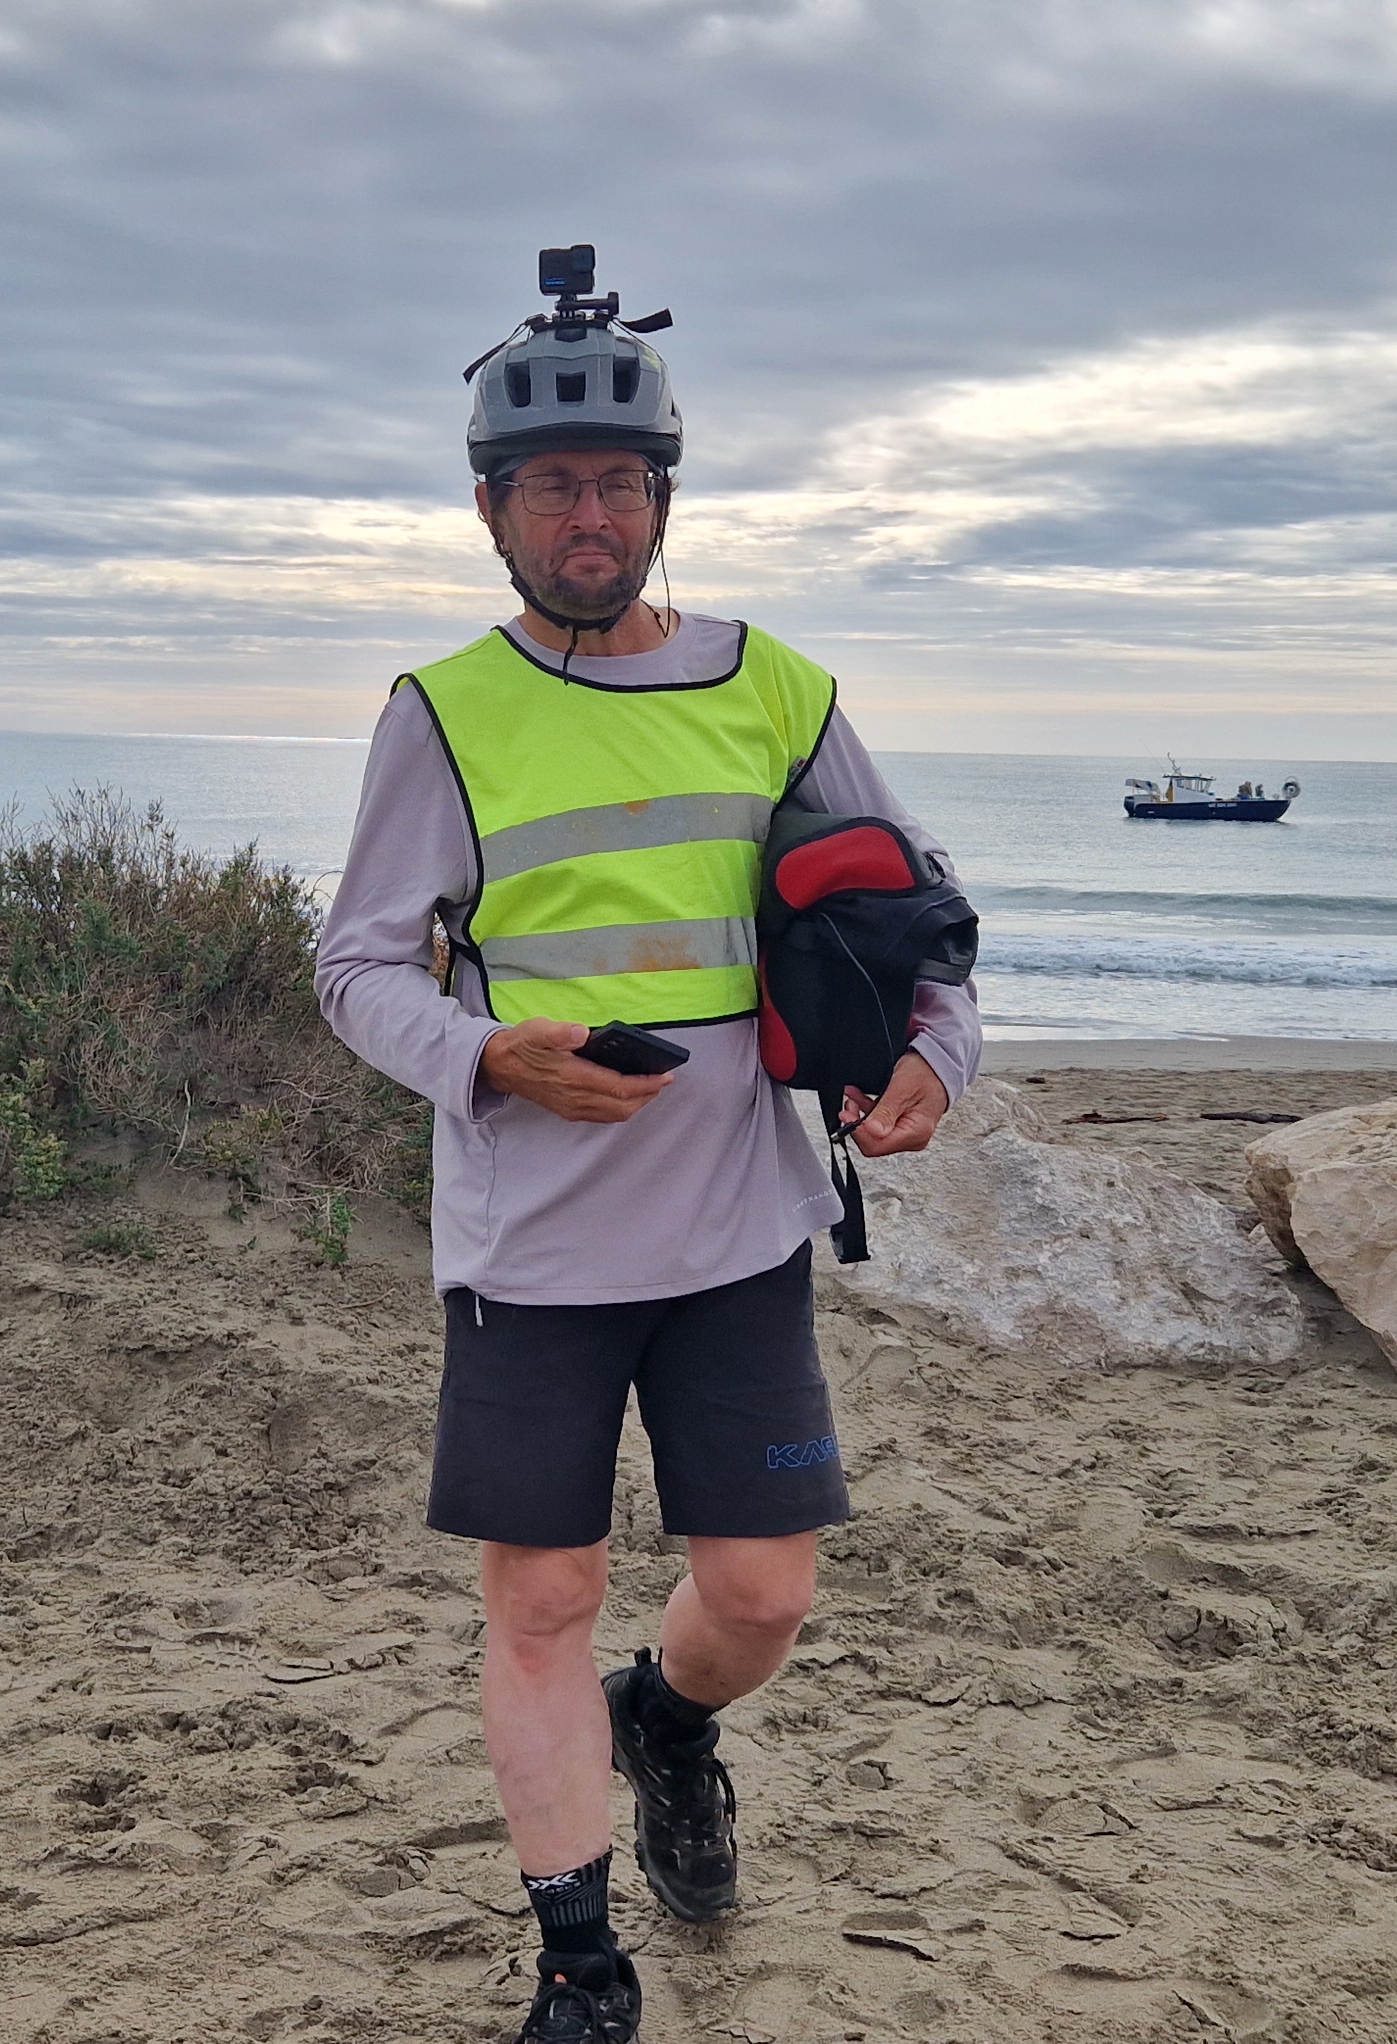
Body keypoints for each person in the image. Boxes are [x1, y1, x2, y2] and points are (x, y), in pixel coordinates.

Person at [315, 254, 978, 2043]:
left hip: (739, 1222)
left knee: (760, 1597)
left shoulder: (776, 686)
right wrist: (486, 1056)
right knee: (541, 1598)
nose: (588, 516)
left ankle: (668, 1725)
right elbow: (357, 968)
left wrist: (937, 1058)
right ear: (492, 510)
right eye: (552, 486)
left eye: (619, 482)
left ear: (664, 501)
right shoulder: (443, 711)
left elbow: (919, 914)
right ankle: (580, 1967)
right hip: (531, 1245)